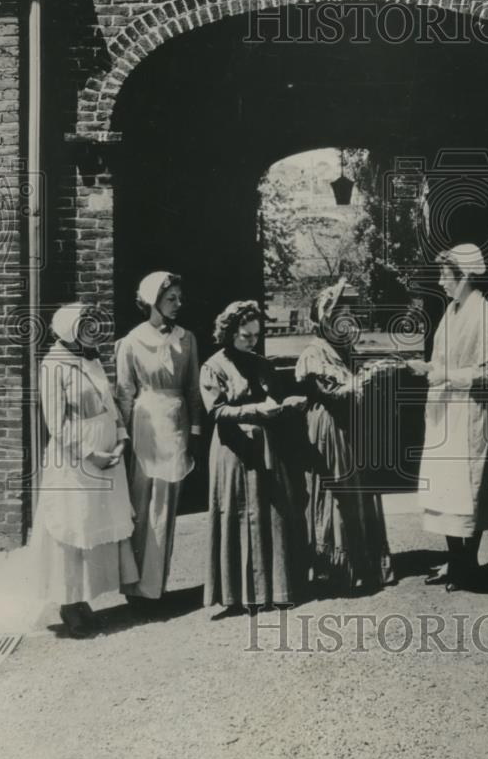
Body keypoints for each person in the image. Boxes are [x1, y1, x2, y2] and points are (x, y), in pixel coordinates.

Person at [407, 244, 488, 591]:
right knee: (443, 486)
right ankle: (454, 560)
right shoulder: (453, 310)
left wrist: (450, 376)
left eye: (445, 274)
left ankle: (467, 564)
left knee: (467, 486)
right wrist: (429, 368)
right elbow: (445, 361)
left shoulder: (482, 313)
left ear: (465, 275)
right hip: (443, 409)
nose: (441, 281)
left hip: (469, 410)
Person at [31, 304, 138, 638]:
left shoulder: (91, 359)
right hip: (76, 462)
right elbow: (56, 423)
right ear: (69, 328)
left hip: (107, 457)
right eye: (85, 325)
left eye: (94, 325)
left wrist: (120, 440)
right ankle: (68, 603)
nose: (92, 330)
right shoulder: (53, 365)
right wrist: (89, 454)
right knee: (72, 527)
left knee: (93, 525)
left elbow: (111, 408)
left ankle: (83, 600)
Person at [200, 301, 308, 614]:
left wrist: (288, 403)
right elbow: (216, 410)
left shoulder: (262, 364)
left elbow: (272, 399)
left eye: (256, 336)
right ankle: (238, 595)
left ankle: (274, 590)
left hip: (265, 448)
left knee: (269, 512)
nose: (252, 341)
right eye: (246, 336)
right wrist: (254, 411)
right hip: (233, 449)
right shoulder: (214, 366)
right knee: (237, 514)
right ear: (229, 332)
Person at [295, 279, 395, 594]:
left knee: (359, 489)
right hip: (329, 428)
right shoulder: (315, 353)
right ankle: (334, 568)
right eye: (341, 314)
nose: (347, 321)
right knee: (335, 490)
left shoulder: (344, 350)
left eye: (349, 315)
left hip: (351, 427)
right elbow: (330, 394)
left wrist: (373, 374)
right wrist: (365, 379)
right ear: (325, 318)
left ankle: (364, 563)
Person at [115, 271, 202, 603]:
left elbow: (194, 390)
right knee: (140, 503)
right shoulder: (131, 341)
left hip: (176, 425)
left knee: (165, 506)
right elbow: (124, 392)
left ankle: (154, 587)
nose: (179, 304)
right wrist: (122, 438)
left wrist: (194, 431)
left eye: (180, 298)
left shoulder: (187, 339)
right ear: (153, 301)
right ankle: (134, 587)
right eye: (172, 299)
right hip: (144, 423)